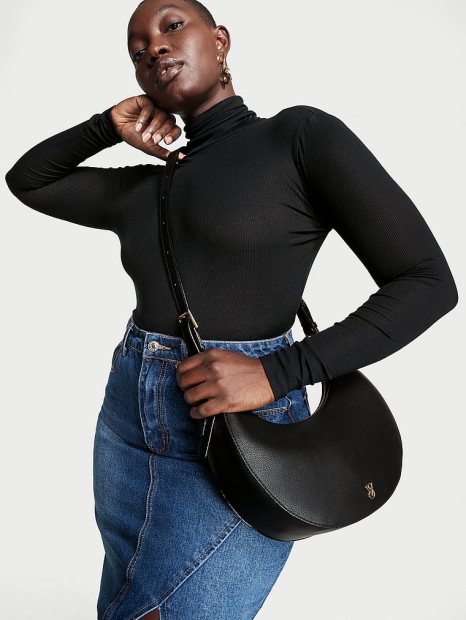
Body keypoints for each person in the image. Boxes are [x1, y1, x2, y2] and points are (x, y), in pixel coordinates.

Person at [5, 0, 458, 618]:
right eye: (137, 51)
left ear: (219, 41)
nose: (154, 48)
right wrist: (107, 126)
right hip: (127, 424)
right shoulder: (149, 185)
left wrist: (277, 372)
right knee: (124, 602)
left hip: (240, 424)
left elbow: (428, 281)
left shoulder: (299, 137)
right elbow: (29, 179)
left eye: (172, 27)